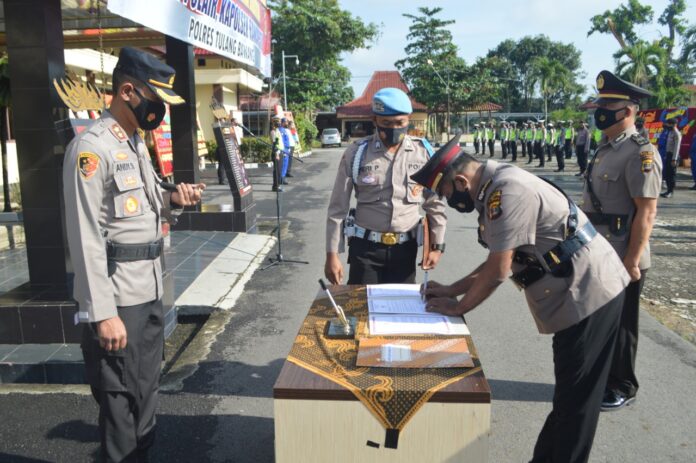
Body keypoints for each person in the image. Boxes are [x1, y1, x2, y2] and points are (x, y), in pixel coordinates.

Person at [412, 136, 629, 463]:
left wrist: (458, 307)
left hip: (590, 293)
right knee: (569, 398)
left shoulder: (506, 191)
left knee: (576, 404)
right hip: (575, 293)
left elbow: (499, 270)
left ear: (460, 181)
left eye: (445, 193)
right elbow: (502, 259)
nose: (447, 200)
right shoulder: (494, 187)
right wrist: (451, 289)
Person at [62, 47, 205, 462]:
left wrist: (173, 199)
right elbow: (85, 234)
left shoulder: (135, 143)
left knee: (145, 397)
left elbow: (144, 207)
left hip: (148, 290)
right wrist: (102, 312)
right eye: (155, 100)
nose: (158, 109)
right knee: (120, 408)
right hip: (118, 299)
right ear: (128, 91)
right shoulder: (92, 150)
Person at [583, 70, 661, 412]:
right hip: (600, 251)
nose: (600, 110)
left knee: (623, 326)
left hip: (623, 256)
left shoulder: (639, 153)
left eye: (607, 105)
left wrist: (632, 260)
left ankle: (622, 385)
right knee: (600, 322)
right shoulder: (604, 149)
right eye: (599, 103)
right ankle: (601, 378)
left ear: (628, 111)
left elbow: (646, 213)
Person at [325, 87, 447, 285]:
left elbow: (435, 203)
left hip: (405, 251)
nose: (394, 128)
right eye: (386, 123)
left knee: (401, 312)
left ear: (408, 119)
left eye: (400, 123)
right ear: (375, 121)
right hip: (365, 250)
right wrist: (332, 254)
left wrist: (437, 245)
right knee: (363, 312)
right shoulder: (356, 153)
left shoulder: (423, 153)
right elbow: (338, 208)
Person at [661, 118, 682, 198]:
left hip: (673, 156)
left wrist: (674, 159)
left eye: (669, 124)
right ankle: (667, 190)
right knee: (667, 173)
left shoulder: (677, 133)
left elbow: (677, 147)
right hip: (668, 155)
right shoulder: (670, 132)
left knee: (672, 175)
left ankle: (671, 192)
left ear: (674, 124)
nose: (667, 125)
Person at [270, 117, 286, 192]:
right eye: (277, 122)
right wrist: (276, 154)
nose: (279, 123)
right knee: (277, 171)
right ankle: (275, 186)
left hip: (280, 152)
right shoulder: (273, 132)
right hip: (277, 153)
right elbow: (274, 144)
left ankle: (278, 185)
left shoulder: (277, 130)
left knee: (279, 170)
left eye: (279, 121)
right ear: (274, 123)